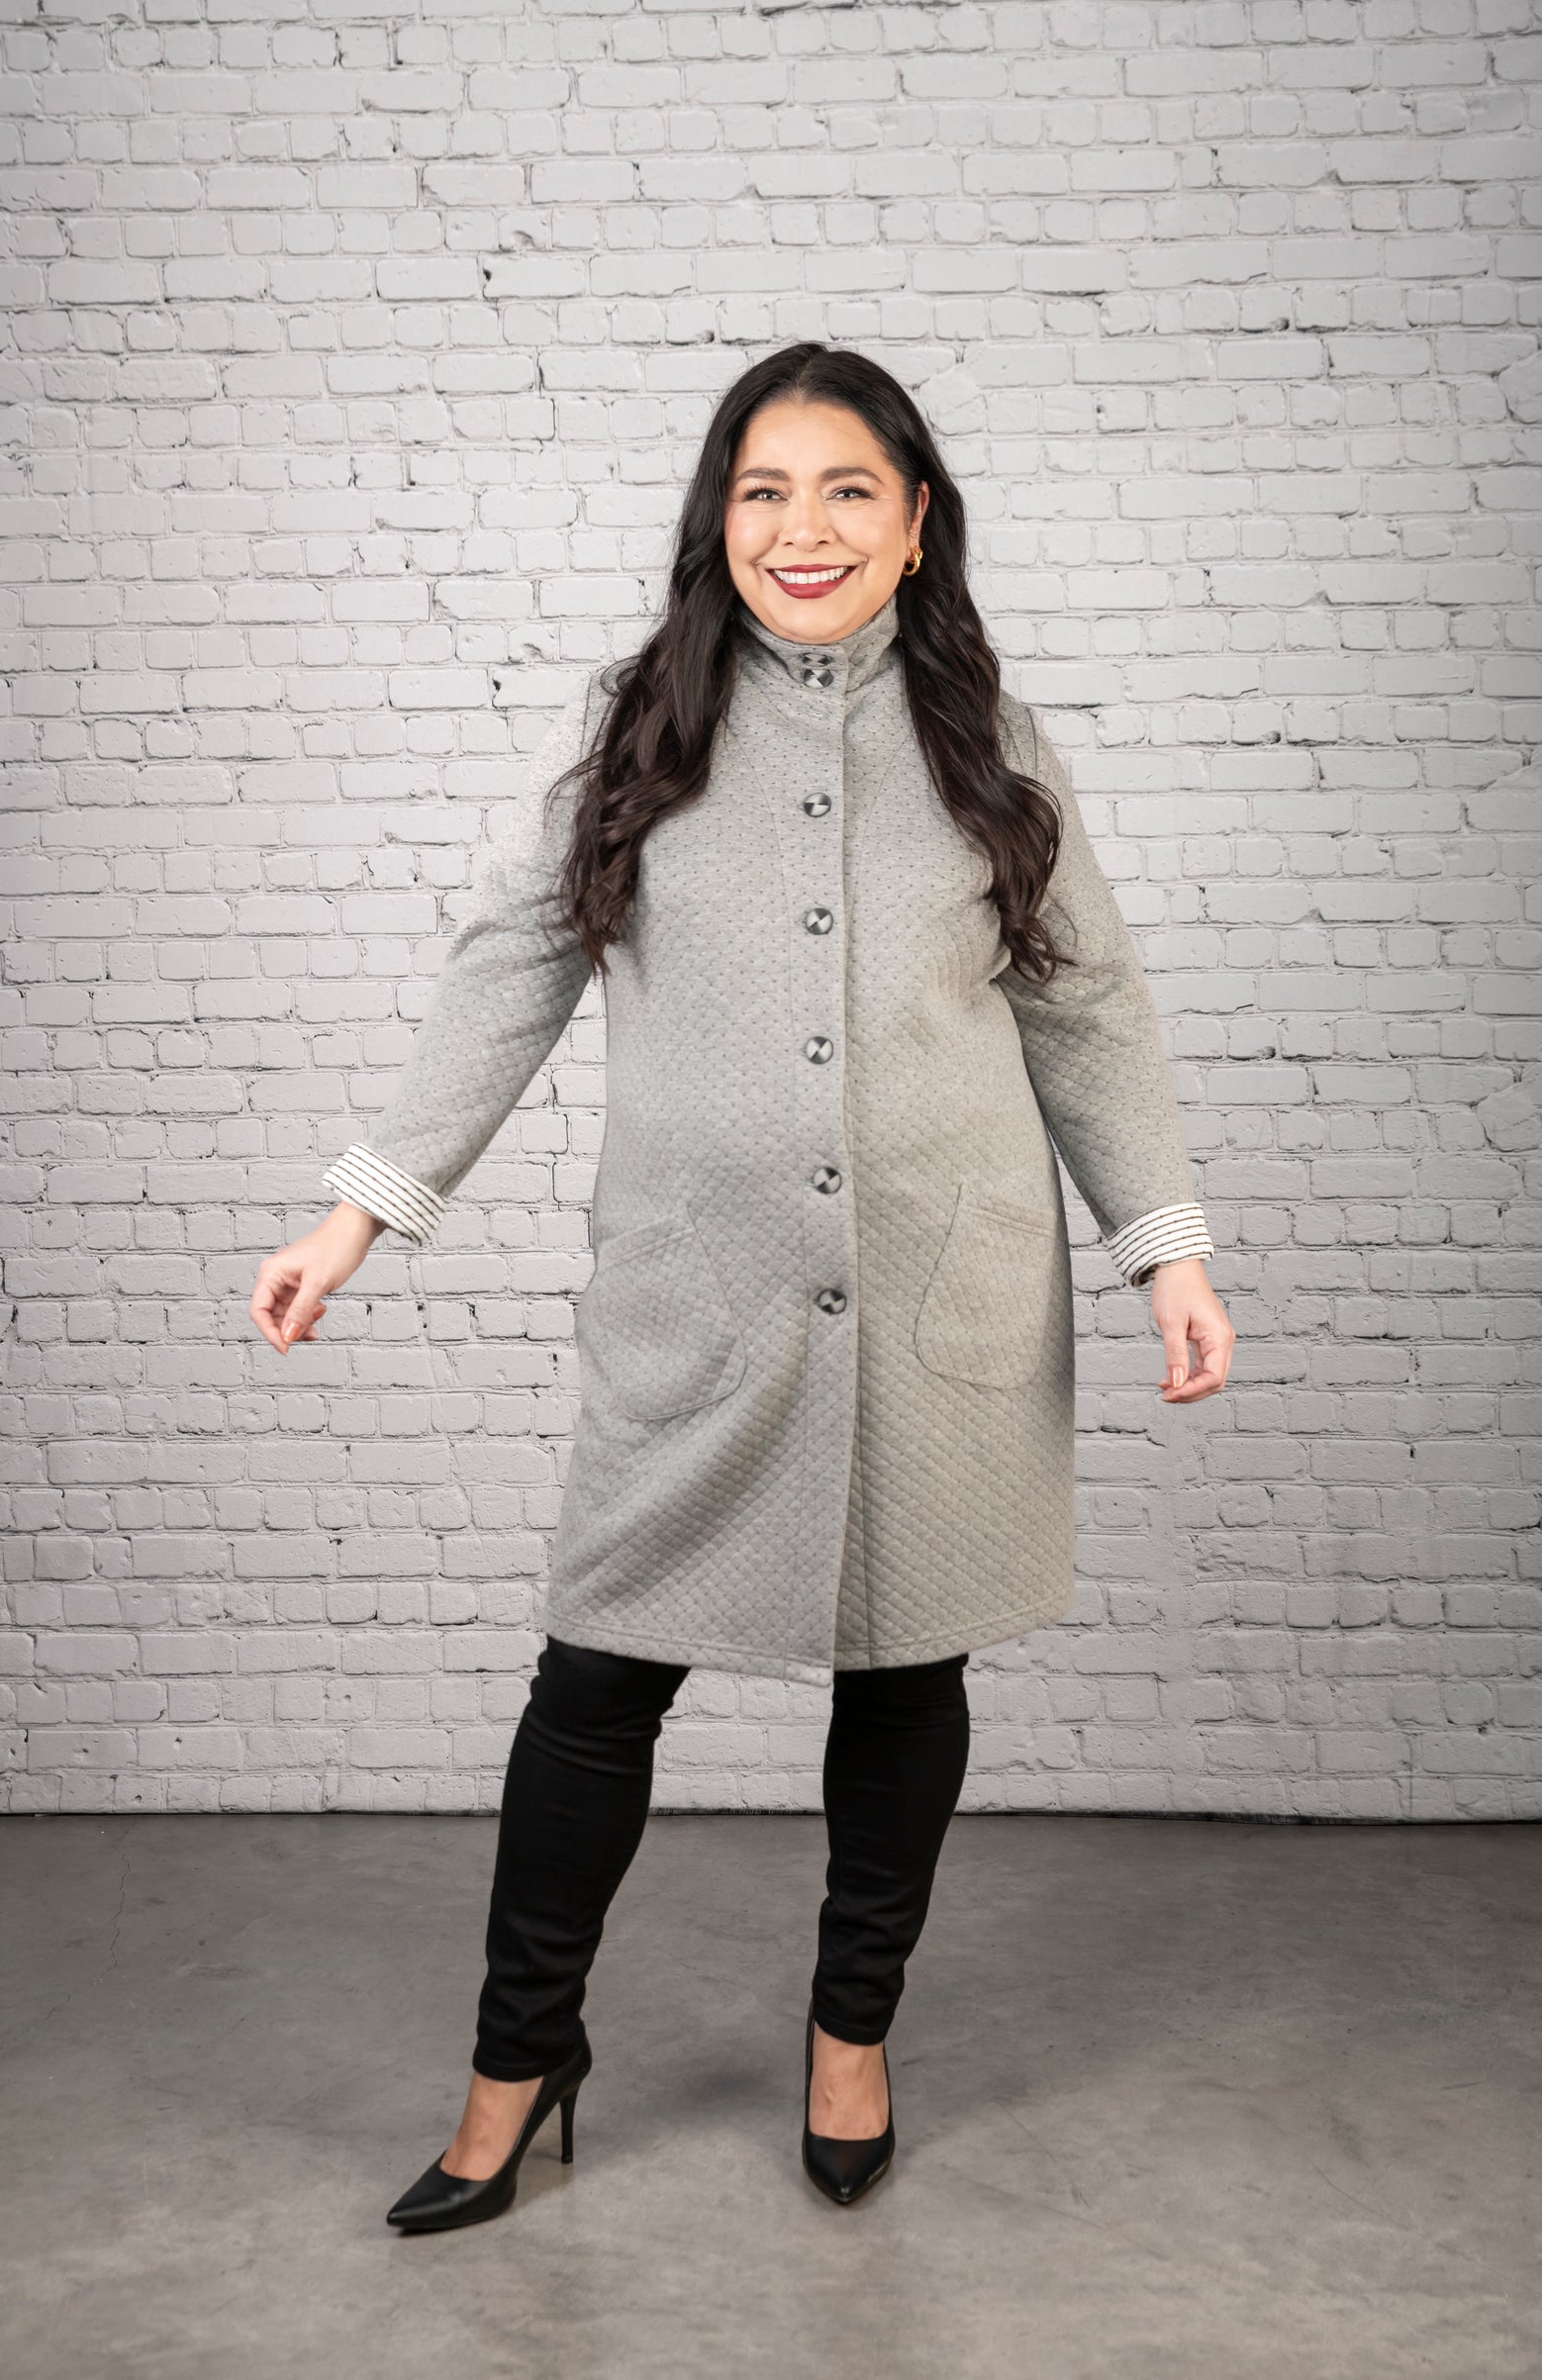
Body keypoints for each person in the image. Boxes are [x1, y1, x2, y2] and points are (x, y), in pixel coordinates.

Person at [250, 342, 1235, 2231]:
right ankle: (520, 2057)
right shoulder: (648, 729)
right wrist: (361, 1209)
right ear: (722, 519)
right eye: (766, 491)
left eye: (850, 490)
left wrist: (1164, 1248)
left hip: (948, 1295)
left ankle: (850, 2033)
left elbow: (1089, 1008)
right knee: (594, 1686)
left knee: (907, 1670)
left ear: (915, 521)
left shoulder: (993, 746)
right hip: (698, 1314)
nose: (806, 528)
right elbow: (507, 971)